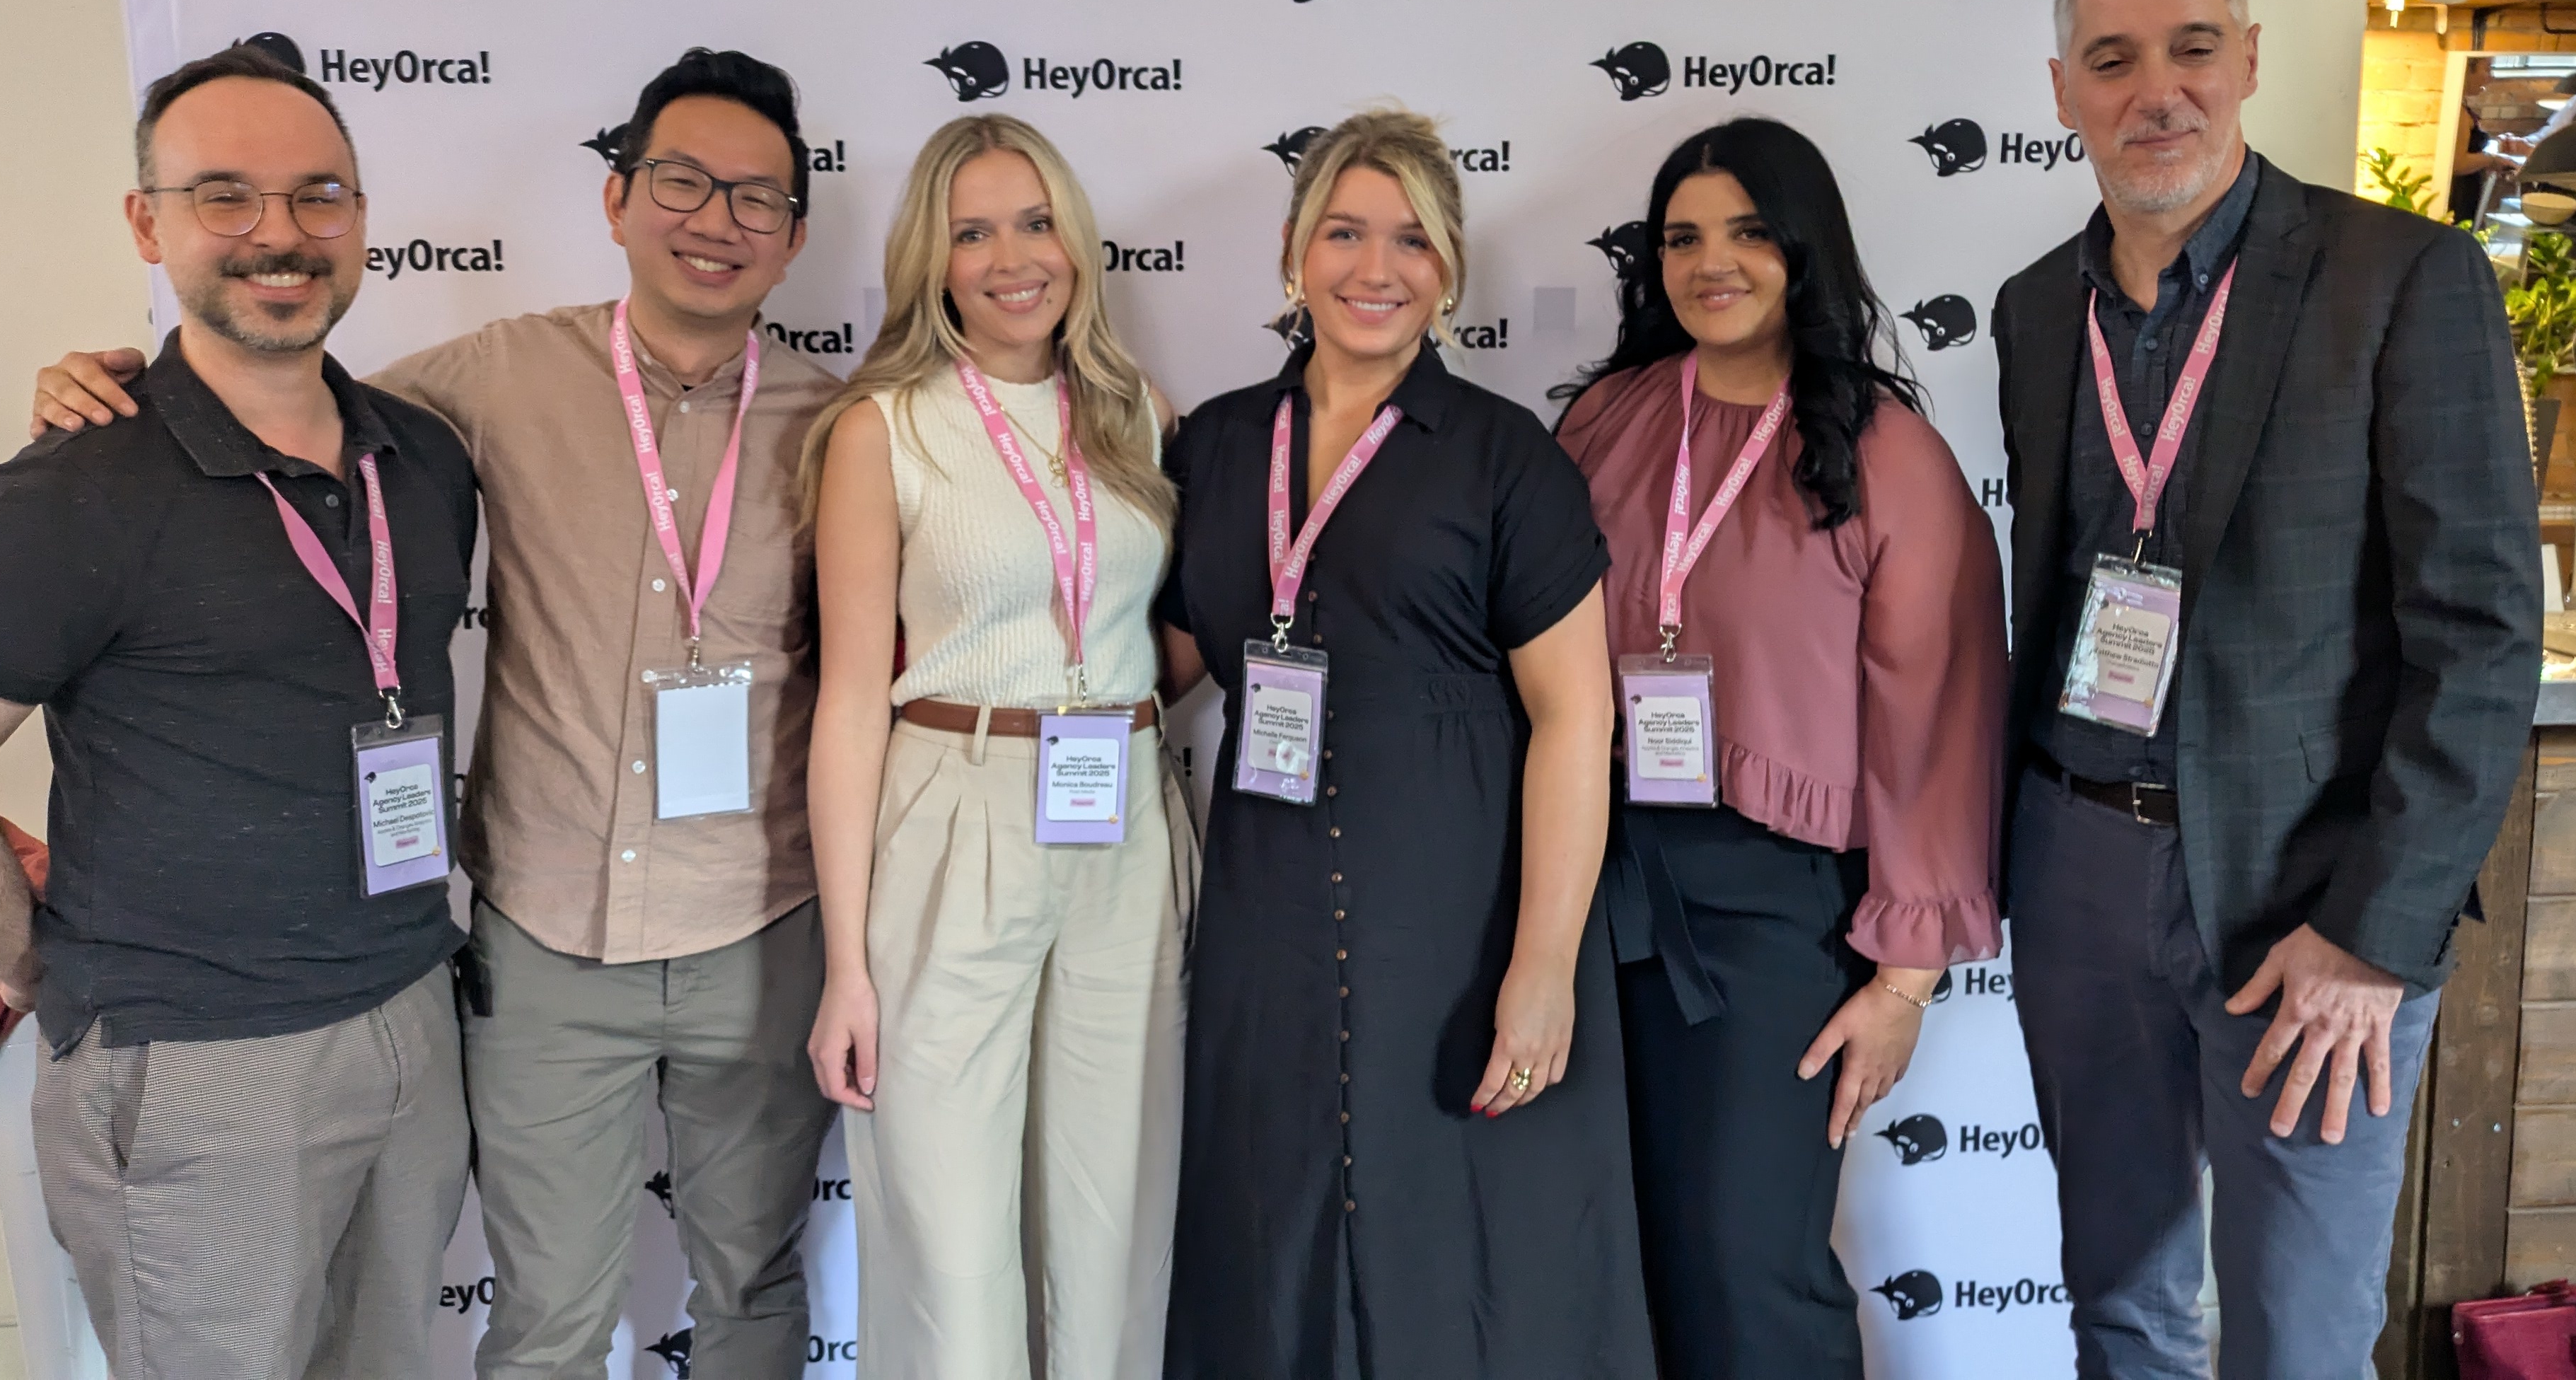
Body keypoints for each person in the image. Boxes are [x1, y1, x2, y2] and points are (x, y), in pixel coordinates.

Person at [34, 47, 845, 1379]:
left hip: (759, 933)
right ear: (618, 198)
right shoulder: (476, 383)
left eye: (757, 199)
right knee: (547, 1321)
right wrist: (108, 391)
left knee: (752, 1286)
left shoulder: (841, 427)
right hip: (544, 945)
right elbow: (268, 393)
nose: (717, 220)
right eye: (683, 180)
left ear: (796, 234)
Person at [1990, 0, 2540, 1379]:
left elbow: (2482, 638)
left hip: (2313, 901)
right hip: (2081, 872)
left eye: (2188, 48)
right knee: (2119, 1306)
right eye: (2110, 59)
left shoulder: (2401, 282)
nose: (2151, 91)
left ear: (2246, 60)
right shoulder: (2038, 311)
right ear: (2063, 92)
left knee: (2298, 1340)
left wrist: (2377, 932)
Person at [0, 43, 477, 1376]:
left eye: (318, 196)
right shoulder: (77, 486)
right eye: (226, 197)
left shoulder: (421, 456)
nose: (280, 234)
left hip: (408, 1015)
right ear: (148, 222)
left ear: (362, 220)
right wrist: (25, 950)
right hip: (196, 1057)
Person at [1153, 110, 1655, 1379]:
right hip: (1266, 919)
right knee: (1274, 1243)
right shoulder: (1211, 445)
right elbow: (1155, 660)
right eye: (1345, 233)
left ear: (1449, 271)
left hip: (1458, 913)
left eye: (1413, 243)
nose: (1377, 269)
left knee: (1474, 1255)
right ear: (1291, 251)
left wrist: (1542, 964)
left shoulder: (1505, 460)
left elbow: (1576, 717)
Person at [1553, 117, 2006, 1380]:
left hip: (1771, 915)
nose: (1714, 263)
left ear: (1804, 247)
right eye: (1683, 238)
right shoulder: (1607, 419)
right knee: (1618, 1256)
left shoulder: (1886, 454)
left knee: (1749, 1265)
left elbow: (1940, 719)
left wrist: (1904, 981)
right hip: (1597, 886)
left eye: (1749, 232)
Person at [799, 115, 1190, 1380]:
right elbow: (854, 699)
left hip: (1125, 819)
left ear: (1076, 239)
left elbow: (1161, 633)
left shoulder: (1135, 414)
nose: (1013, 256)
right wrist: (845, 966)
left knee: (1109, 1219)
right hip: (955, 809)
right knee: (956, 1251)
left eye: (1035, 223)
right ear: (934, 258)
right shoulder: (888, 429)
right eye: (974, 231)